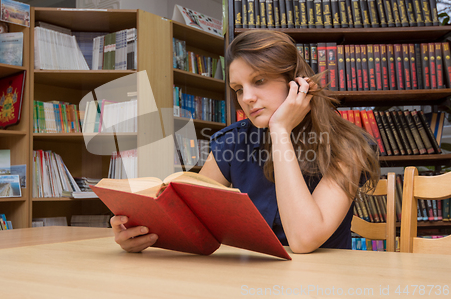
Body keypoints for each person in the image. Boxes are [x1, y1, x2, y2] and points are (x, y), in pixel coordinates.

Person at [111, 30, 380, 254]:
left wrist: (280, 130)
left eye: (259, 81)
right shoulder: (232, 143)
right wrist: (142, 234)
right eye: (239, 89)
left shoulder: (347, 147)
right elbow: (189, 221)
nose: (246, 98)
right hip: (246, 280)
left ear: (296, 83)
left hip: (320, 285)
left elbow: (303, 239)